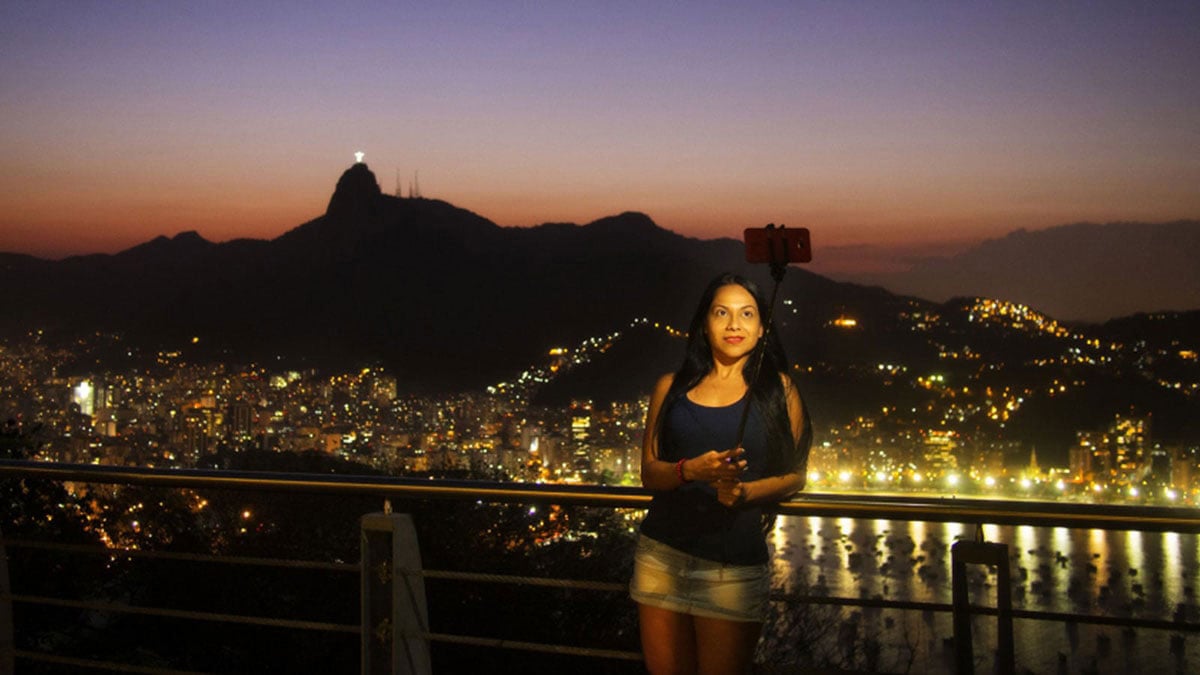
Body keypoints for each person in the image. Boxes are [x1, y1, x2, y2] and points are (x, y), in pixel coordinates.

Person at [630, 272, 811, 675]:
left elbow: (796, 474)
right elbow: (649, 473)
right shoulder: (670, 388)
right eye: (721, 313)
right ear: (703, 324)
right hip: (661, 557)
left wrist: (747, 493)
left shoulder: (779, 391)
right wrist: (689, 470)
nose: (734, 324)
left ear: (762, 328)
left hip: (733, 566)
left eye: (747, 314)